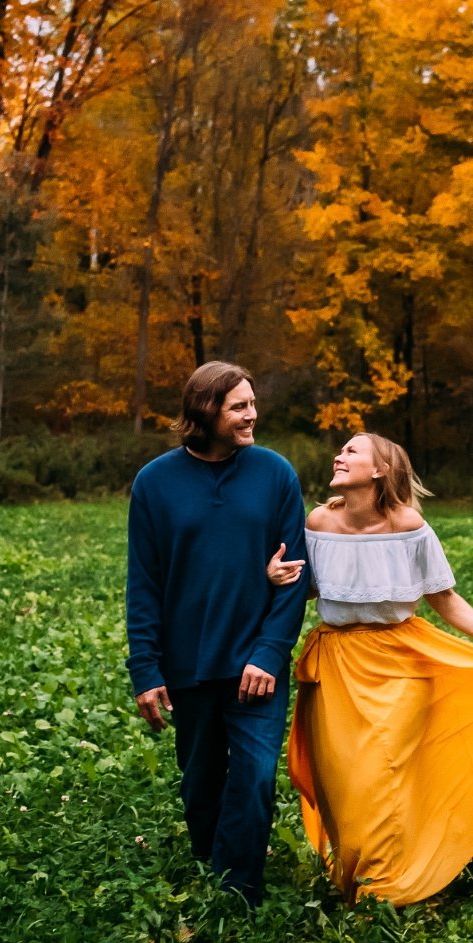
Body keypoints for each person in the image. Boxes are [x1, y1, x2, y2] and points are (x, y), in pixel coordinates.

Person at [273, 432, 473, 905]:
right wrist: (275, 576)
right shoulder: (318, 521)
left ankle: (385, 887)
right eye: (342, 449)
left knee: (383, 775)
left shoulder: (408, 525)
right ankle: (357, 873)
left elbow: (443, 597)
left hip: (400, 660)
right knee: (346, 782)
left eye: (352, 451)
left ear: (379, 470)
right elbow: (308, 589)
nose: (339, 455)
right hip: (335, 666)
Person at [126, 362, 311, 903]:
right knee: (200, 781)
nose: (253, 414)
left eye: (253, 403)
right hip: (189, 663)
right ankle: (211, 858)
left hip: (257, 663)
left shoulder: (276, 474)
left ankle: (238, 892)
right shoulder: (155, 483)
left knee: (254, 777)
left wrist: (270, 653)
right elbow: (144, 582)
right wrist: (146, 667)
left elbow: (293, 575)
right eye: (240, 406)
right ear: (206, 411)